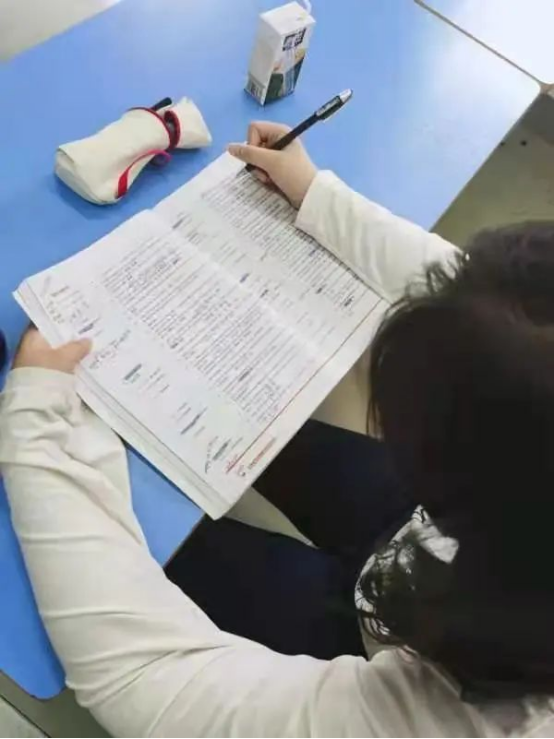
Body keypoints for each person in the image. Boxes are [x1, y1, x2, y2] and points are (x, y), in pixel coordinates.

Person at [1, 121, 553, 738]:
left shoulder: (459, 720)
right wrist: (318, 196)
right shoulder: (522, 469)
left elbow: (148, 675)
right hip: (435, 537)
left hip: (397, 643)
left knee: (175, 557)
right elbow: (491, 305)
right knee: (238, 424)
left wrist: (34, 421)